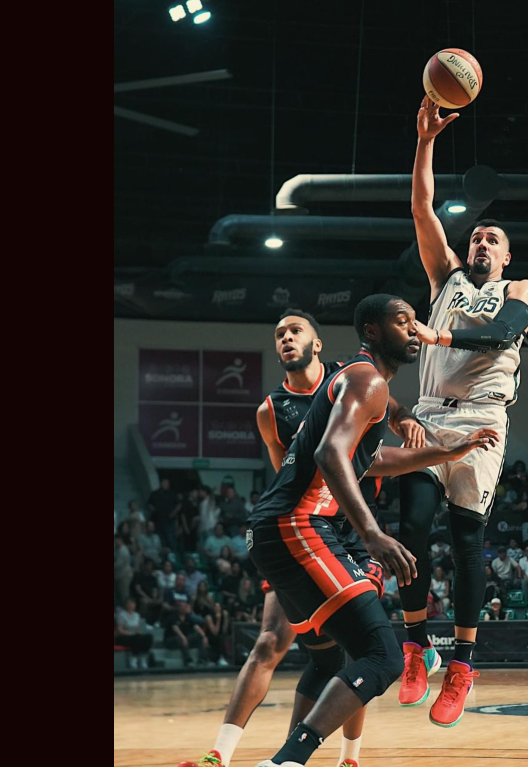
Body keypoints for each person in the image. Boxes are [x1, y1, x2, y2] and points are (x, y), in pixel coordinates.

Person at [180, 303, 473, 767]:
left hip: (282, 530)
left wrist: (442, 450)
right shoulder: (362, 381)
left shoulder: (351, 380)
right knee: (380, 655)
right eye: (403, 322)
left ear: (319, 344)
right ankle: (277, 760)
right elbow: (331, 454)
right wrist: (372, 533)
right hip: (303, 527)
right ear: (373, 331)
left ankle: (318, 759)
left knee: (338, 658)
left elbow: (366, 460)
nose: (416, 330)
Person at [396, 95, 528, 730]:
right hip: (430, 416)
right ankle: (414, 645)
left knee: (465, 542)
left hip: (481, 421)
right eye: (478, 235)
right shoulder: (446, 280)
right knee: (410, 523)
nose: (481, 240)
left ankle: (462, 664)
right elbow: (422, 208)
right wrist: (425, 140)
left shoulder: (520, 290)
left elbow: (499, 335)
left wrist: (439, 339)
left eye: (494, 238)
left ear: (506, 257)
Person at [163, 600, 209, 668]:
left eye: (185, 606)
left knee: (199, 636)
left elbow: (196, 626)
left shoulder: (188, 617)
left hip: (185, 639)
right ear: (178, 608)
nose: (184, 608)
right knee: (181, 639)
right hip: (171, 640)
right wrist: (183, 637)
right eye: (182, 607)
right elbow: (175, 628)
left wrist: (204, 636)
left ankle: (202, 659)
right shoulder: (173, 617)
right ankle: (188, 661)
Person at [115, 598, 154, 669]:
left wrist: (138, 633)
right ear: (126, 605)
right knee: (136, 638)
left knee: (148, 637)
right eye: (129, 604)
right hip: (124, 636)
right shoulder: (121, 615)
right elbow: (120, 630)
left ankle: (143, 657)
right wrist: (131, 633)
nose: (131, 605)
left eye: (133, 604)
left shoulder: (136, 615)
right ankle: (134, 659)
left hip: (135, 635)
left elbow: (137, 628)